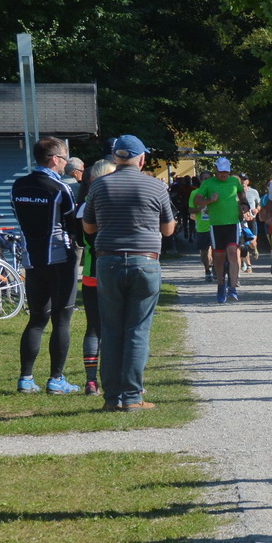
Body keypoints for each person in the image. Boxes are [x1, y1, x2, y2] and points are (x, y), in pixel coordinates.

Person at [81, 135, 176, 411]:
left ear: (114, 158)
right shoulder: (155, 187)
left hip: (107, 262)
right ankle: (133, 397)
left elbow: (88, 227)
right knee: (137, 331)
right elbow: (168, 230)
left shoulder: (98, 185)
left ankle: (112, 398)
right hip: (145, 262)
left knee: (110, 331)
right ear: (142, 159)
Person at [10, 136, 81, 395]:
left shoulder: (18, 185)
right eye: (64, 159)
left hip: (32, 260)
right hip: (60, 260)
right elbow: (73, 225)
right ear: (54, 159)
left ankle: (25, 379)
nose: (65, 164)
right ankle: (56, 380)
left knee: (37, 319)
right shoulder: (59, 188)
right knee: (61, 320)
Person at [76, 158, 118, 395]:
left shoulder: (82, 206)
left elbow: (79, 240)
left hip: (92, 272)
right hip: (115, 271)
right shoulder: (117, 202)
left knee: (94, 328)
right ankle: (120, 379)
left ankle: (91, 381)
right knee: (118, 327)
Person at [192, 158, 244, 302]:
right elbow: (197, 200)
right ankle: (221, 285)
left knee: (233, 254)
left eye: (226, 171)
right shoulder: (208, 183)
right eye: (221, 171)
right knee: (219, 258)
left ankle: (233, 289)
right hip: (216, 225)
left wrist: (243, 204)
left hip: (232, 224)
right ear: (215, 169)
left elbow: (241, 194)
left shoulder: (234, 182)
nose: (224, 174)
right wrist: (210, 200)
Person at [239, 173, 263, 273]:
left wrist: (257, 210)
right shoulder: (235, 192)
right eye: (241, 179)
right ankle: (248, 265)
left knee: (252, 242)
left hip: (251, 220)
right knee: (242, 244)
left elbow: (260, 203)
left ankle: (254, 248)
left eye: (245, 179)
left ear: (248, 181)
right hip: (240, 221)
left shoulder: (253, 192)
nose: (243, 181)